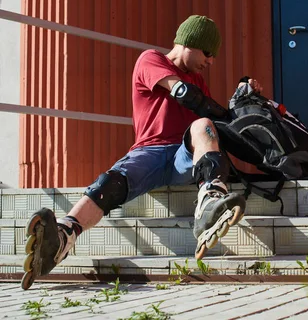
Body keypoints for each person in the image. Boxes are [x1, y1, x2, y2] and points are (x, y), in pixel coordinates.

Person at [21, 15, 262, 289]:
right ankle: (62, 237)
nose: (211, 61)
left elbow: (215, 119)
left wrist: (245, 96)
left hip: (183, 155)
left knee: (205, 126)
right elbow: (181, 92)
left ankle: (209, 202)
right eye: (208, 53)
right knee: (109, 183)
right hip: (150, 151)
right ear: (189, 42)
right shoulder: (152, 60)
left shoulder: (198, 80)